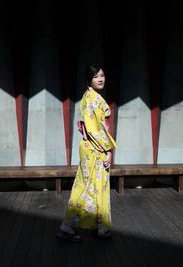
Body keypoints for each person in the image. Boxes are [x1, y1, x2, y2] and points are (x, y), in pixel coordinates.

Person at [56, 64, 117, 242]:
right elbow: (94, 129)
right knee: (88, 186)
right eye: (96, 76)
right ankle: (68, 226)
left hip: (92, 147)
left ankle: (100, 226)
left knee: (95, 186)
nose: (101, 79)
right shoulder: (91, 98)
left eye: (103, 75)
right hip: (95, 148)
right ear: (89, 79)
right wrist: (108, 150)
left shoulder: (91, 97)